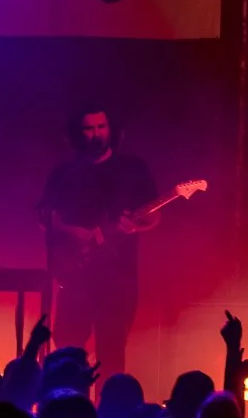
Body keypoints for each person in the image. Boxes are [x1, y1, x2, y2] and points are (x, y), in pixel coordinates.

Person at [37, 107, 159, 373]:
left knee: (112, 353)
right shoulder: (64, 173)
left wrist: (135, 227)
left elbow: (153, 216)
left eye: (101, 127)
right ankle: (68, 408)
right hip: (75, 277)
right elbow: (46, 216)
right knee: (68, 350)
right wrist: (76, 234)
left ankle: (108, 412)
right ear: (77, 134)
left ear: (111, 129)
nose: (96, 134)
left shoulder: (132, 169)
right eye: (89, 128)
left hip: (118, 278)